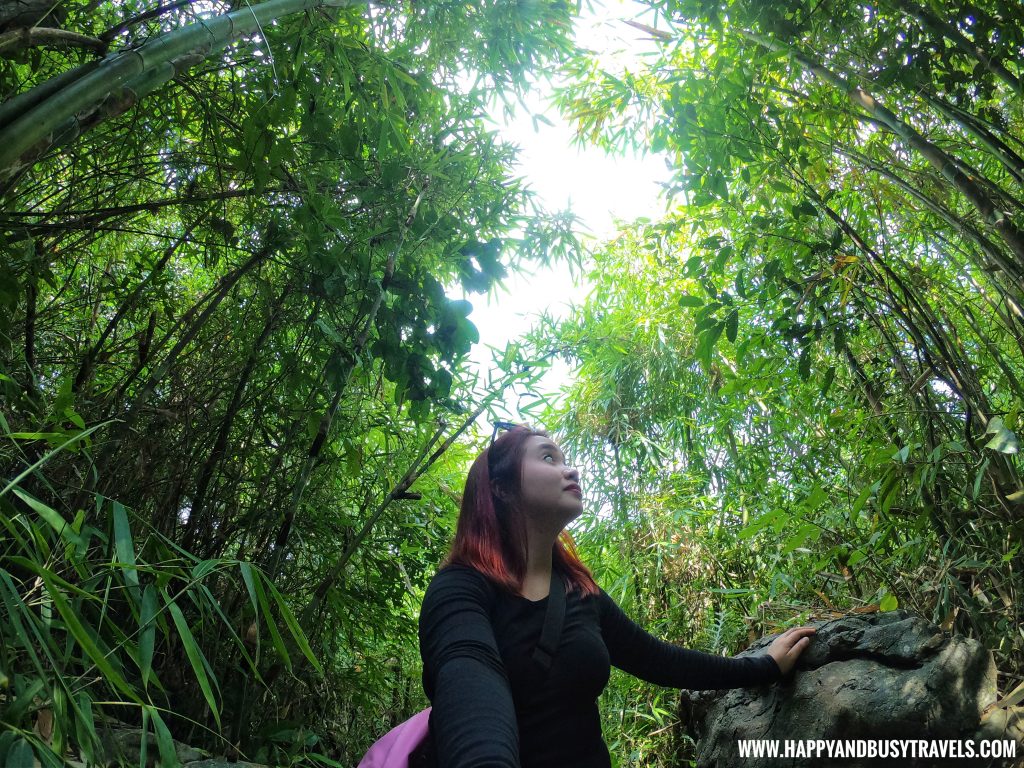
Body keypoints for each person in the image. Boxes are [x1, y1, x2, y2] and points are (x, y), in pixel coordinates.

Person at [418, 424, 815, 768]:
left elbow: (661, 661)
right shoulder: (460, 592)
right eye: (548, 457)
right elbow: (470, 681)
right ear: (501, 488)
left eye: (564, 458)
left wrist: (764, 666)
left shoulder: (579, 592)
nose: (570, 468)